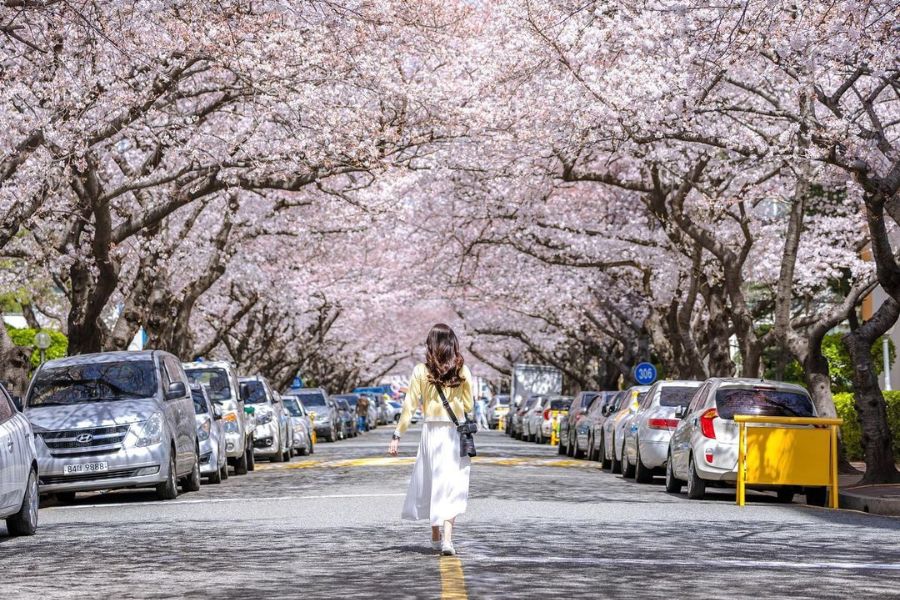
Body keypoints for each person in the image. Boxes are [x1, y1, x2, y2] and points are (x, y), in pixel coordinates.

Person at [389, 323, 473, 556]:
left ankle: (436, 534)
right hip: (453, 434)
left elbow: (409, 407)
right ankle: (447, 539)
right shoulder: (462, 370)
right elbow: (469, 405)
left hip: (430, 433)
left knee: (433, 482)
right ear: (452, 343)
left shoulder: (420, 371)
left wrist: (397, 434)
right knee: (452, 485)